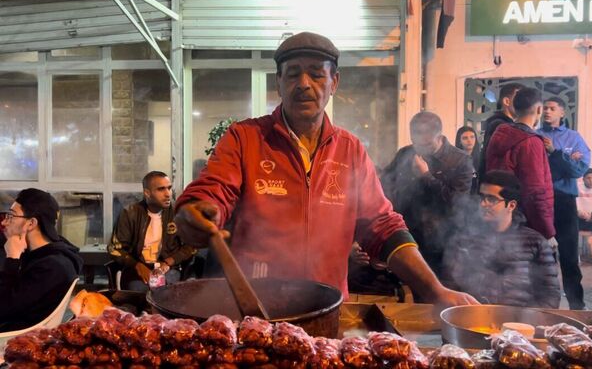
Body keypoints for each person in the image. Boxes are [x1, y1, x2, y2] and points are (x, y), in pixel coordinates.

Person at [174, 32, 477, 306]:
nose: (304, 83)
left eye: (317, 75)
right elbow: (213, 190)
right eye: (292, 74)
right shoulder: (245, 138)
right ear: (278, 82)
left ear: (335, 83)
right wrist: (196, 211)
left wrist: (434, 290)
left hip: (328, 309)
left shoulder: (351, 149)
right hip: (256, 308)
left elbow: (382, 226)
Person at [444, 171, 560, 308]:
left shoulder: (535, 242)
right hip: (473, 318)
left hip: (519, 323)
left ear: (511, 205)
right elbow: (449, 286)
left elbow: (550, 295)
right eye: (481, 198)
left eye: (491, 199)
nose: (483, 204)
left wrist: (527, 321)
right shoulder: (465, 239)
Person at [380, 112, 473, 278]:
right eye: (416, 143)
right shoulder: (405, 153)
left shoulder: (460, 160)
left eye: (427, 145)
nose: (420, 149)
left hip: (441, 239)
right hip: (409, 232)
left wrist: (427, 176)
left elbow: (457, 203)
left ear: (439, 136)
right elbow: (386, 183)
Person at [0, 188, 83, 331]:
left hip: (14, 338)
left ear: (31, 223)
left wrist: (12, 259)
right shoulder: (40, 253)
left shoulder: (52, 267)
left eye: (11, 216)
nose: (4, 223)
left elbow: (2, 309)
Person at [537, 96, 590, 310]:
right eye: (544, 109)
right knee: (541, 255)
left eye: (551, 108)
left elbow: (580, 170)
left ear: (562, 113)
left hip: (565, 202)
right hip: (541, 201)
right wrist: (566, 160)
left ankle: (577, 306)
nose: (547, 112)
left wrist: (554, 154)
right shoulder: (535, 136)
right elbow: (538, 170)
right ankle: (544, 305)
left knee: (569, 256)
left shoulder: (573, 138)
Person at [486, 87, 555, 240]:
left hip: (500, 217)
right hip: (525, 223)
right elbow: (535, 192)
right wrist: (547, 232)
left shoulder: (499, 133)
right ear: (539, 109)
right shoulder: (530, 142)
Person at [108, 171, 196, 291]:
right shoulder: (130, 213)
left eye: (169, 188)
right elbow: (115, 249)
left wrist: (170, 261)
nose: (168, 194)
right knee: (139, 295)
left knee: (165, 293)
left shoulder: (178, 213)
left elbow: (192, 245)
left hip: (169, 269)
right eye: (161, 189)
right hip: (138, 269)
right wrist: (137, 265)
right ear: (147, 193)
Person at [479, 83, 524, 177]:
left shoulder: (502, 123)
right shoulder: (500, 125)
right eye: (519, 99)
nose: (523, 104)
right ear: (507, 101)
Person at [455, 125, 481, 193]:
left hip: (478, 197)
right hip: (461, 197)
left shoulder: (482, 158)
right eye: (465, 138)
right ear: (459, 141)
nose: (469, 140)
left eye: (472, 137)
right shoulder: (454, 159)